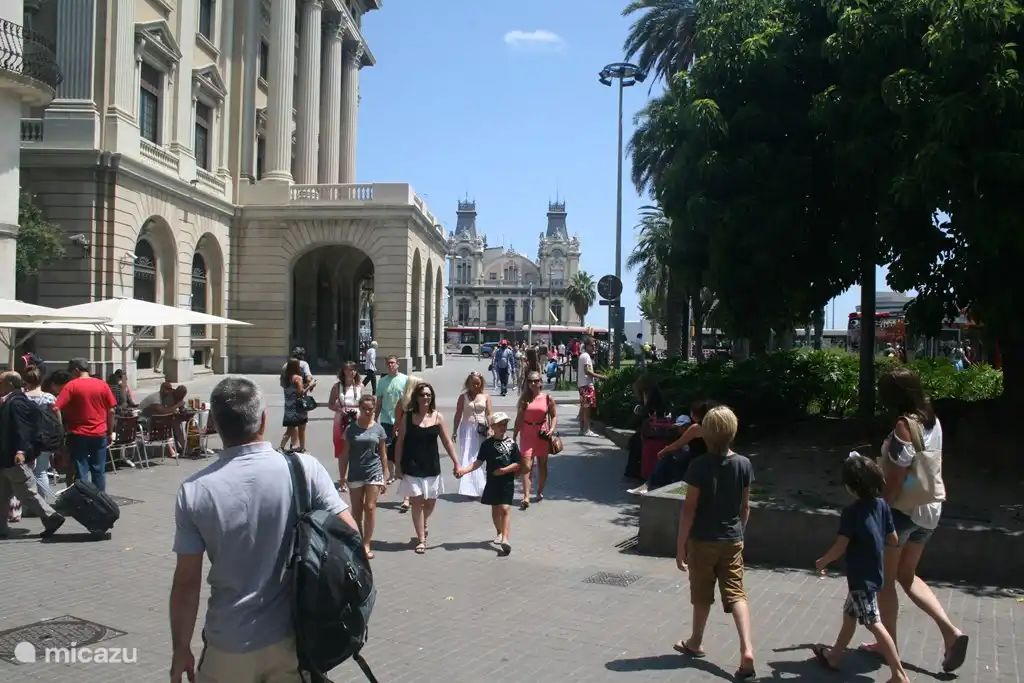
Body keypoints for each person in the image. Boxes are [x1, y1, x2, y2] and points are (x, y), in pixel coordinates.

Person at [169, 376, 356, 683]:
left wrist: (180, 649)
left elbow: (187, 583)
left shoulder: (194, 490)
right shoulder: (303, 469)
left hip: (227, 643)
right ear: (264, 420)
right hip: (293, 639)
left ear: (214, 424)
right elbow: (351, 538)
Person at [859, 367, 968, 672]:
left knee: (885, 582)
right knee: (907, 575)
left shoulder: (903, 427)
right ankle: (951, 632)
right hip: (930, 510)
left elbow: (896, 478)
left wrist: (879, 508)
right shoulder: (933, 422)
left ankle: (887, 646)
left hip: (902, 514)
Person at [675, 405, 756, 680]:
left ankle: (695, 641)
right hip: (732, 539)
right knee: (736, 593)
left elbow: (689, 509)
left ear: (705, 434)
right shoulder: (744, 464)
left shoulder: (698, 466)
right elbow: (745, 507)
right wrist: (739, 533)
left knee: (701, 593)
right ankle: (747, 649)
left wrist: (680, 546)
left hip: (702, 539)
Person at [813, 455, 909, 682]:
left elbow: (840, 546)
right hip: (874, 574)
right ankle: (834, 656)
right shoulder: (882, 506)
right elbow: (893, 538)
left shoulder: (851, 513)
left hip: (860, 579)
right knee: (850, 615)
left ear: (850, 487)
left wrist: (823, 561)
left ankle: (899, 674)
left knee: (874, 623)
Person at [394, 382, 459, 555]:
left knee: (430, 502)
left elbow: (446, 442)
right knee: (417, 500)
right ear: (416, 397)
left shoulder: (437, 417)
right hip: (412, 465)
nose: (426, 397)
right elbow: (399, 443)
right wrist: (397, 466)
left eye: (428, 395)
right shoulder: (408, 417)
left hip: (431, 466)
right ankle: (421, 539)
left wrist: (456, 462)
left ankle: (423, 522)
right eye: (422, 394)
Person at [0, 372, 65, 539]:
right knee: (3, 493)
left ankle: (52, 516)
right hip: (7, 457)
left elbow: (23, 430)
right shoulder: (15, 400)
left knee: (26, 493)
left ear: (8, 383)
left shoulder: (16, 403)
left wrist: (21, 451)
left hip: (14, 457)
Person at [456, 412, 522, 556]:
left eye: (505, 424)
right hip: (492, 481)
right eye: (500, 424)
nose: (503, 427)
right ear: (493, 426)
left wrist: (504, 470)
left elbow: (518, 463)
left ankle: (506, 539)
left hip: (507, 482)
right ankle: (499, 532)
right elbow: (478, 462)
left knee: (505, 508)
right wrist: (464, 470)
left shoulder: (512, 444)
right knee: (495, 508)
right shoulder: (487, 444)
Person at [53, 359, 116, 492]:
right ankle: (100, 500)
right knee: (99, 469)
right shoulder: (102, 384)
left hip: (78, 433)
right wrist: (110, 431)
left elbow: (56, 408)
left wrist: (61, 428)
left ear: (76, 370)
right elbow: (111, 410)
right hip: (100, 433)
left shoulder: (71, 386)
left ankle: (85, 499)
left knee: (81, 469)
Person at [338, 395, 388, 559]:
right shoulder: (351, 429)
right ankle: (358, 540)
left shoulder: (378, 429)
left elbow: (383, 454)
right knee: (357, 510)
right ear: (359, 408)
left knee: (370, 507)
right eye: (365, 408)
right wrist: (342, 476)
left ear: (374, 409)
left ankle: (367, 543)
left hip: (374, 472)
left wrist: (385, 476)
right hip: (355, 473)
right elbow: (344, 454)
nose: (368, 412)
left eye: (371, 409)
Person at [513, 370, 558, 509]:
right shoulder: (524, 399)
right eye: (530, 381)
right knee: (526, 465)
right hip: (527, 433)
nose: (533, 383)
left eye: (536, 381)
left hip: (542, 434)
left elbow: (554, 415)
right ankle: (526, 496)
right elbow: (519, 418)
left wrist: (551, 429)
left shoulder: (547, 398)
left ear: (541, 382)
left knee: (542, 465)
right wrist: (514, 435)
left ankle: (539, 491)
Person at [21, 365, 58, 502]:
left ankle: (28, 503)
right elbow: (57, 420)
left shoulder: (22, 398)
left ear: (25, 381)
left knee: (24, 472)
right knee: (41, 471)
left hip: (25, 439)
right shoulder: (50, 398)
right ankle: (42, 502)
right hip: (44, 439)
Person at [452, 372, 492, 498]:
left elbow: (489, 414)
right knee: (468, 456)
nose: (475, 386)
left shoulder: (485, 396)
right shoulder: (463, 397)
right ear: (468, 383)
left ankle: (481, 486)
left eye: (478, 383)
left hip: (481, 430)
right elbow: (458, 414)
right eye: (473, 383)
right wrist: (454, 430)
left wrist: (491, 427)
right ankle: (470, 488)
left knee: (480, 457)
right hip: (467, 429)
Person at [374, 355, 408, 485]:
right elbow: (379, 402)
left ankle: (402, 471)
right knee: (387, 446)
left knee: (403, 446)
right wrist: (374, 419)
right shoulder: (382, 381)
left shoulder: (405, 379)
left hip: (402, 419)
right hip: (386, 419)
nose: (391, 365)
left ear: (398, 364)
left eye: (393, 363)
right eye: (388, 363)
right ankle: (391, 473)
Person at [328, 361, 363, 486]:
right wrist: (339, 409)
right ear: (343, 371)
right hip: (341, 419)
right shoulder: (337, 386)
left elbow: (364, 403)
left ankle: (354, 477)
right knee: (343, 450)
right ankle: (342, 479)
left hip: (357, 417)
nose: (351, 372)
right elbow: (330, 404)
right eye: (348, 369)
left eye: (353, 369)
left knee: (357, 448)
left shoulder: (360, 386)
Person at [577, 338, 606, 437]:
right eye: (592, 345)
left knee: (583, 407)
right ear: (587, 346)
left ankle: (582, 429)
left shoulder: (583, 356)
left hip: (583, 384)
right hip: (586, 385)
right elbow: (587, 371)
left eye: (594, 345)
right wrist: (600, 377)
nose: (594, 347)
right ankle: (586, 429)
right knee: (587, 408)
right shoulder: (586, 356)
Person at [279, 358, 309, 453]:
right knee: (302, 427)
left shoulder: (286, 379)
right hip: (298, 406)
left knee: (290, 428)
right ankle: (302, 448)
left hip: (289, 406)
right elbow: (301, 393)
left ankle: (281, 446)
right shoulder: (298, 378)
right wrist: (310, 386)